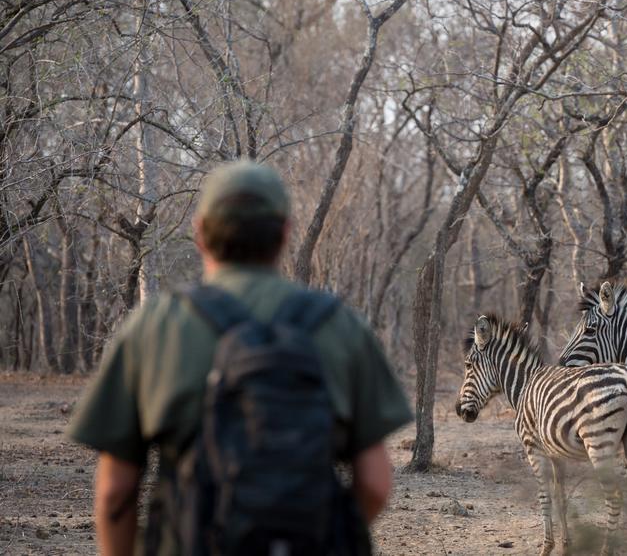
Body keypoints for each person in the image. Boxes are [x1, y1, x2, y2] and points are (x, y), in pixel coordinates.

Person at [67, 160, 413, 555]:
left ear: (199, 234)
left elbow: (115, 492)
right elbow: (375, 483)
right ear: (285, 233)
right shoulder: (340, 326)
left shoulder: (155, 326)